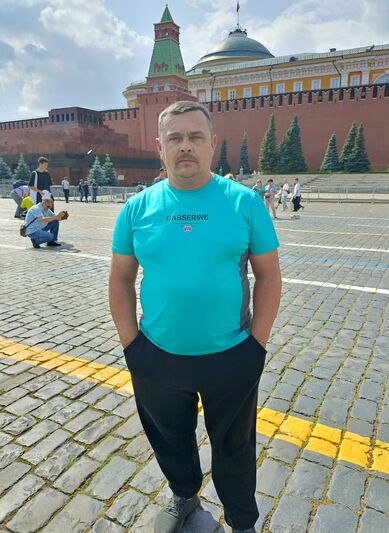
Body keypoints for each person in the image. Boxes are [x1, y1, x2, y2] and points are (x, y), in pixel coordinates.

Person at [109, 101, 281, 533]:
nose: (185, 146)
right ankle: (185, 496)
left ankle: (241, 520)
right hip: (157, 355)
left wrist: (256, 345)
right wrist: (132, 346)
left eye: (195, 136)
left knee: (235, 446)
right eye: (175, 138)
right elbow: (120, 279)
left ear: (212, 144)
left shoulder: (245, 203)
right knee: (168, 437)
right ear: (160, 147)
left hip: (232, 353)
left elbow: (269, 275)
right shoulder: (136, 209)